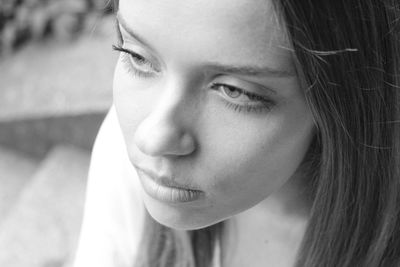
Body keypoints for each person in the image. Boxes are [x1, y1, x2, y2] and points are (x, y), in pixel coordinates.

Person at [73, 0, 400, 266]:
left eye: (234, 90)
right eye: (137, 56)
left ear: (347, 98)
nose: (152, 138)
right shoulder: (122, 156)